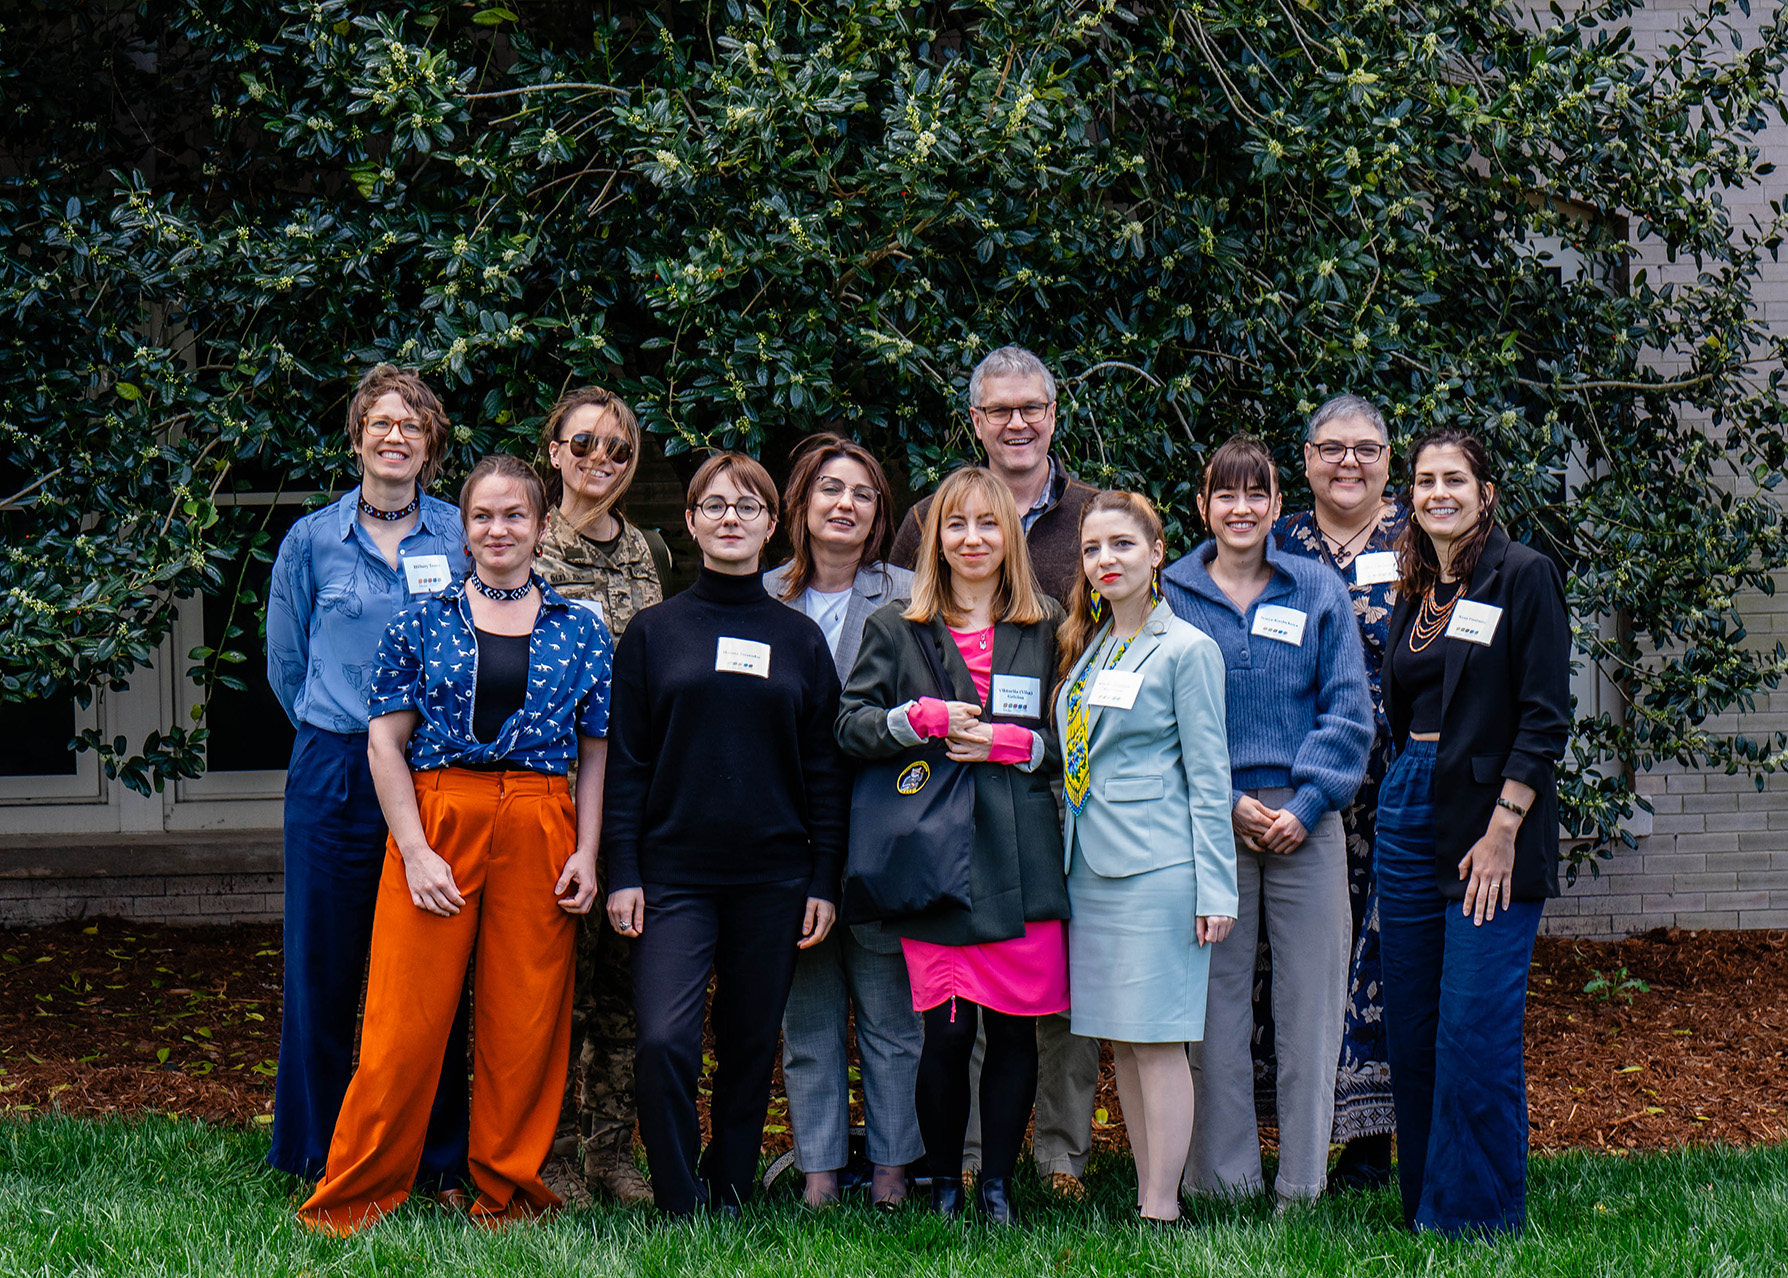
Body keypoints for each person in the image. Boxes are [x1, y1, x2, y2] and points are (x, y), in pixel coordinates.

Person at [298, 454, 613, 1234]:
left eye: (515, 516)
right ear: (463, 531)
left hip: (543, 822)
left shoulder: (581, 629)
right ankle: (356, 1194)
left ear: (541, 529)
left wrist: (589, 853)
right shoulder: (422, 620)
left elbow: (600, 750)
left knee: (524, 1024)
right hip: (439, 819)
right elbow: (383, 743)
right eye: (483, 516)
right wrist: (413, 849)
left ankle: (505, 1193)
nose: (498, 529)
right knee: (402, 1024)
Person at [602, 453, 850, 1218]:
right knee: (665, 1041)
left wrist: (822, 879)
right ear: (691, 522)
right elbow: (628, 764)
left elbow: (825, 771)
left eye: (747, 507)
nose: (730, 519)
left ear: (773, 525)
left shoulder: (800, 638)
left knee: (748, 1043)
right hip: (673, 875)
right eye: (713, 506)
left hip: (774, 878)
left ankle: (732, 1183)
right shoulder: (653, 634)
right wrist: (624, 870)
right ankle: (680, 1196)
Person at [888, 345, 1099, 1198]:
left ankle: (1056, 1160)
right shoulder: (921, 520)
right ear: (975, 421)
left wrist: (1027, 747)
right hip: (940, 831)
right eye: (998, 409)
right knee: (953, 1025)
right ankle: (965, 1164)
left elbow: (1083, 699)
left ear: (1054, 414)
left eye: (1032, 407)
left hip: (1032, 823)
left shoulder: (1088, 518)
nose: (1017, 422)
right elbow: (906, 644)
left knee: (1047, 1019)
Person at [837, 466, 1067, 1225]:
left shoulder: (1049, 626)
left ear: (1011, 538)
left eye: (988, 525)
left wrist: (1013, 744)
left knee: (1012, 1030)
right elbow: (850, 727)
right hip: (932, 861)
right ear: (935, 539)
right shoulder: (897, 627)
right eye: (956, 526)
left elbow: (1078, 742)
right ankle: (944, 1185)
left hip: (1020, 854)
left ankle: (996, 1185)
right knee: (946, 1029)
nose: (973, 540)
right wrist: (921, 720)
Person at [265, 364, 470, 1194]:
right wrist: (342, 726)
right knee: (323, 964)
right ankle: (315, 1150)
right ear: (356, 440)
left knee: (432, 969)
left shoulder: (461, 535)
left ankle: (436, 1156)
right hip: (333, 769)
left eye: (411, 425)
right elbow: (286, 663)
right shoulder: (311, 540)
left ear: (431, 447)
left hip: (434, 771)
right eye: (380, 422)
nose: (394, 436)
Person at [1162, 436, 1373, 1209]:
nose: (1241, 509)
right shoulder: (1173, 592)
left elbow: (1348, 711)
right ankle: (1222, 1183)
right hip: (1211, 824)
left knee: (1309, 1008)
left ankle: (1301, 1186)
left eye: (1257, 496)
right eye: (1226, 495)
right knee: (1211, 1006)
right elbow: (1163, 717)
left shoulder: (1316, 589)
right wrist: (1224, 801)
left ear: (1279, 506)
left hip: (1306, 824)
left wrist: (1308, 803)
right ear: (1203, 506)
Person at [1378, 430, 1568, 1235]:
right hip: (1408, 804)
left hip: (1491, 818)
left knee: (1472, 1026)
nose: (1437, 492)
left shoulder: (1522, 575)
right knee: (1413, 1027)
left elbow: (1546, 717)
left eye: (1454, 478)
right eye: (1424, 480)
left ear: (1486, 491)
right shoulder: (1417, 590)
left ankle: (1478, 1219)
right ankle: (1428, 1201)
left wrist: (1504, 830)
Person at [1054, 490, 1238, 1225]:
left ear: (1157, 553)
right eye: (1094, 548)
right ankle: (1146, 1191)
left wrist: (1215, 890)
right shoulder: (1098, 643)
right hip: (1091, 871)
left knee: (1158, 1043)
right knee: (1123, 1044)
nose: (1106, 560)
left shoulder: (1188, 649)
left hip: (1159, 874)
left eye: (1123, 545)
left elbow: (1210, 774)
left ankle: (1164, 1208)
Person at [763, 434, 922, 1209]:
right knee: (809, 1019)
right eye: (830, 488)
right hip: (786, 839)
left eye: (862, 493)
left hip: (887, 834)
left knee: (893, 1020)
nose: (846, 504)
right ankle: (820, 1172)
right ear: (801, 503)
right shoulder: (760, 596)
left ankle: (894, 1174)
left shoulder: (913, 593)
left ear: (879, 511)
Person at [1266, 394, 1408, 1189]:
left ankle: (1370, 1140)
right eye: (1330, 448)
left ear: (1390, 459)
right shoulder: (1278, 542)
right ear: (1307, 459)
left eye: (1366, 448)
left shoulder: (1419, 538)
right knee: (1299, 961)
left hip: (1394, 788)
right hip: (1300, 786)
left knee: (1378, 955)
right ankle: (1293, 1131)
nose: (1348, 462)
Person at [533, 385, 668, 1205]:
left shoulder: (643, 550)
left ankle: (610, 1157)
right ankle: (542, 1152)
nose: (600, 463)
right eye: (583, 445)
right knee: (551, 986)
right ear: (554, 451)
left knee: (624, 990)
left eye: (618, 451)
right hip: (550, 794)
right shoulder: (524, 542)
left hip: (633, 798)